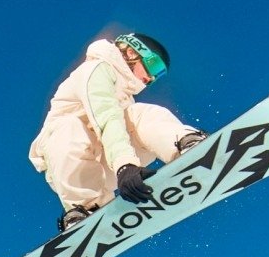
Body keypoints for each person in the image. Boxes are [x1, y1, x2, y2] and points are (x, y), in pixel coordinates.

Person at [27, 31, 208, 232]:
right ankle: (86, 208)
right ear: (131, 52)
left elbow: (119, 126)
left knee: (140, 114)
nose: (150, 78)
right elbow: (106, 117)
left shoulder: (125, 97)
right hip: (70, 165)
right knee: (69, 129)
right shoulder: (96, 69)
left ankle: (186, 144)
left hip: (110, 160)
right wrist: (125, 166)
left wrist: (125, 165)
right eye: (153, 66)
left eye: (158, 75)